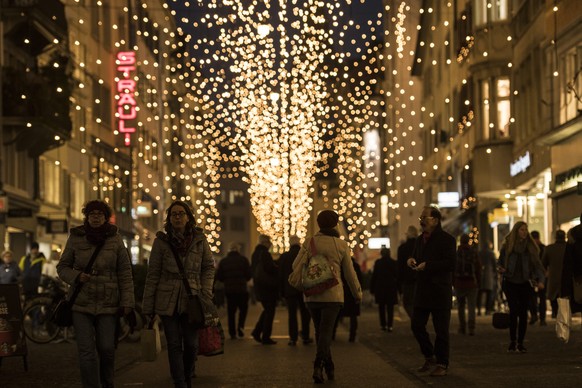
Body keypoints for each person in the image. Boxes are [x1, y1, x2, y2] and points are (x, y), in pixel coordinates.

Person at [56, 200, 135, 388]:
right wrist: (76, 276)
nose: (96, 217)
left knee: (107, 348)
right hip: (81, 302)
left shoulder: (115, 239)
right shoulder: (76, 237)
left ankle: (107, 383)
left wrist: (128, 302)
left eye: (100, 214)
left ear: (106, 217)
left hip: (108, 302)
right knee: (86, 351)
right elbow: (62, 267)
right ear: (87, 216)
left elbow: (124, 272)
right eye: (92, 214)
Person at [142, 200, 215, 388]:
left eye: (181, 213)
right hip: (168, 299)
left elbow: (208, 267)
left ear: (188, 217)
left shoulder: (200, 240)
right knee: (174, 344)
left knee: (191, 344)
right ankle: (180, 382)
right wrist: (148, 306)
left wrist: (205, 291)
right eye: (173, 214)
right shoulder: (161, 242)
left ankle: (187, 374)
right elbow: (153, 274)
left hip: (192, 298)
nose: (177, 217)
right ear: (169, 218)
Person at [289, 209, 362, 384]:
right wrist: (357, 293)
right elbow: (350, 274)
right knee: (326, 332)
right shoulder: (341, 245)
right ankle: (318, 365)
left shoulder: (309, 242)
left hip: (312, 293)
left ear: (319, 224)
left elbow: (294, 265)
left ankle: (329, 366)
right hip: (333, 295)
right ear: (336, 224)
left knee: (320, 331)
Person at [406, 205, 456, 377]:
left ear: (435, 220)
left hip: (439, 290)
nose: (421, 221)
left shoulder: (447, 240)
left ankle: (442, 363)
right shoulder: (420, 240)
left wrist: (428, 265)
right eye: (421, 218)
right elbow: (416, 256)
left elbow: (450, 264)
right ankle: (429, 355)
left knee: (441, 330)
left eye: (424, 218)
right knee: (416, 325)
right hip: (422, 289)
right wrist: (412, 260)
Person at [498, 221, 545, 353]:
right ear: (516, 231)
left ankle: (521, 342)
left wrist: (540, 280)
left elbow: (537, 265)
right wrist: (500, 268)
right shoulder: (507, 246)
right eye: (522, 230)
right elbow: (500, 262)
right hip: (510, 282)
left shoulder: (530, 247)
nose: (524, 232)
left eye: (526, 229)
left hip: (525, 283)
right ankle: (512, 341)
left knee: (523, 312)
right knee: (513, 311)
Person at [279, 235, 312, 346]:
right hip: (304, 288)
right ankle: (306, 336)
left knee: (292, 314)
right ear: (299, 243)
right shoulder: (305, 255)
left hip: (290, 289)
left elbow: (281, 275)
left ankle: (293, 338)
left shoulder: (284, 257)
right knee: (305, 313)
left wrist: (282, 291)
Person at [216, 241, 252, 340]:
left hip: (229, 290)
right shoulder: (243, 260)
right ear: (238, 249)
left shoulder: (223, 261)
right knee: (243, 310)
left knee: (231, 312)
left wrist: (227, 280)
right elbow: (249, 275)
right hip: (242, 289)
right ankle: (240, 327)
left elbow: (219, 276)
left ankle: (232, 333)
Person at [250, 234, 279, 345]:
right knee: (270, 311)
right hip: (268, 287)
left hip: (259, 286)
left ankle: (257, 332)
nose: (270, 244)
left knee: (267, 310)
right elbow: (269, 268)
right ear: (265, 242)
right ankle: (265, 337)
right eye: (269, 242)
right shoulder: (265, 253)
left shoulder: (254, 254)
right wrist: (276, 267)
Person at [453, 234, 481, 336]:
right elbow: (478, 268)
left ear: (460, 241)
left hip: (459, 283)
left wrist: (453, 282)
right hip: (471, 283)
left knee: (461, 306)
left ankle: (462, 327)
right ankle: (471, 328)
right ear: (469, 241)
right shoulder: (473, 252)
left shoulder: (456, 253)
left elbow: (452, 269)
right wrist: (478, 281)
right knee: (471, 306)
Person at [332, 256, 363, 342]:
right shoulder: (356, 266)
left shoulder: (339, 267)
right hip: (353, 294)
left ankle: (332, 334)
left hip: (341, 294)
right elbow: (360, 281)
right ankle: (352, 336)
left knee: (336, 315)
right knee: (353, 317)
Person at [370, 247, 398, 332]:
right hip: (391, 288)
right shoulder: (393, 262)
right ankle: (390, 325)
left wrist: (372, 289)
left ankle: (383, 325)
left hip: (380, 288)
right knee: (390, 308)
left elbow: (374, 276)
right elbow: (397, 276)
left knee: (381, 307)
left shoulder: (378, 263)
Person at [541, 230, 567, 319]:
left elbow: (543, 264)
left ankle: (555, 313)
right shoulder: (569, 248)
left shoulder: (549, 248)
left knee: (554, 298)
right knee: (565, 300)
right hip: (566, 278)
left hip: (553, 278)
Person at [560, 215, 582, 316]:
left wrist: (565, 290)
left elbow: (567, 265)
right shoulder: (574, 237)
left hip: (577, 281)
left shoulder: (573, 236)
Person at [397, 225, 418, 319]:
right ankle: (418, 320)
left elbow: (400, 267)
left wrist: (399, 284)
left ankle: (415, 319)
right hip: (419, 279)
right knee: (418, 302)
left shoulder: (402, 248)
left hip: (407, 280)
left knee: (407, 303)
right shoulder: (420, 246)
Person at [528, 230, 546, 325]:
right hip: (537, 275)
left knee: (535, 298)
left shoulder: (531, 249)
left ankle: (537, 317)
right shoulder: (543, 248)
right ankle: (538, 318)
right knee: (534, 298)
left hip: (536, 275)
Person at [477, 240, 497, 316]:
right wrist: (495, 273)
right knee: (489, 293)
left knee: (480, 293)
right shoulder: (491, 253)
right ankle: (487, 309)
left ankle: (478, 309)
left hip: (481, 274)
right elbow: (494, 264)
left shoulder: (479, 253)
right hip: (489, 274)